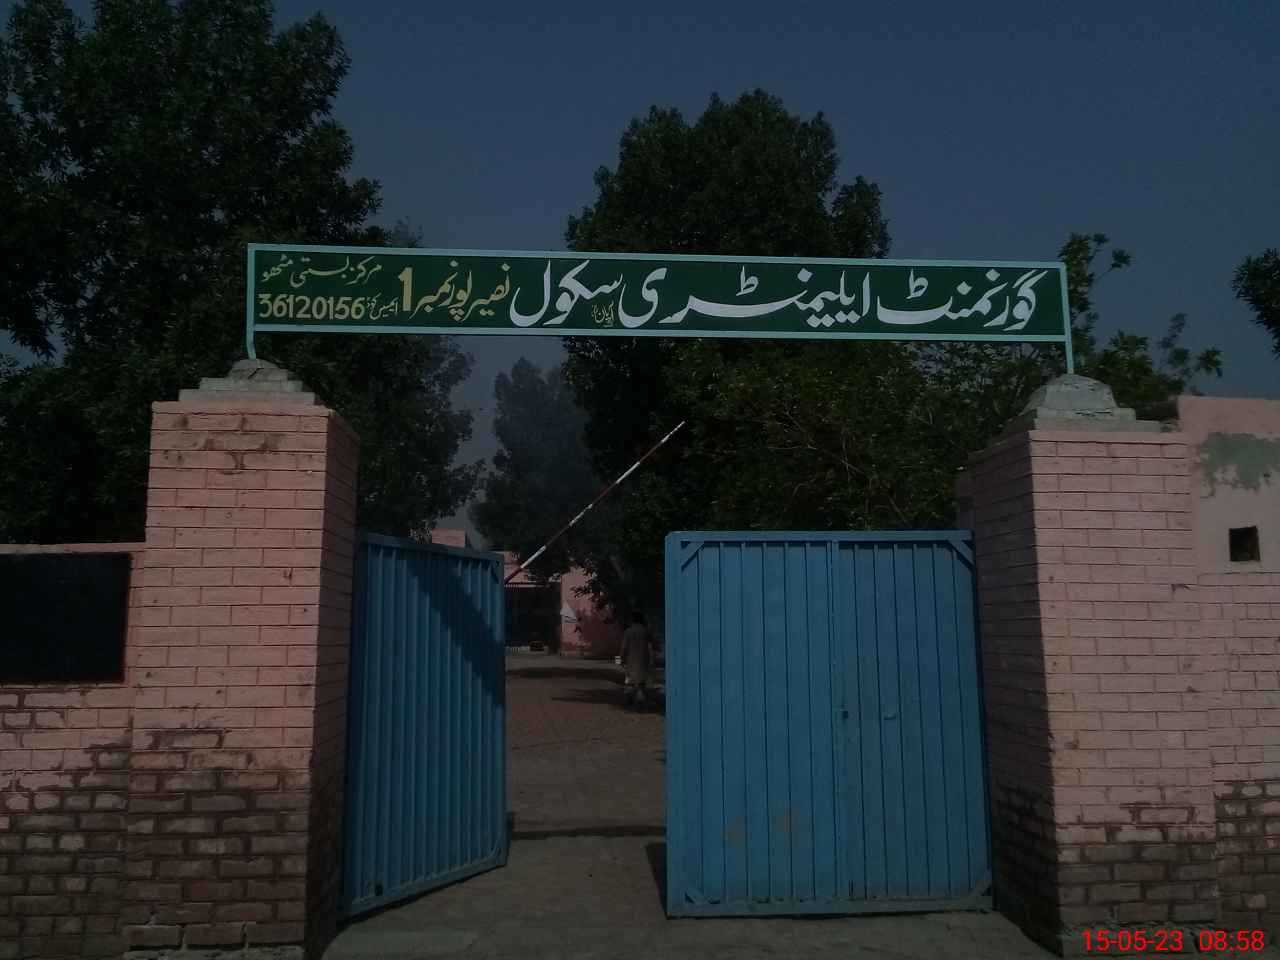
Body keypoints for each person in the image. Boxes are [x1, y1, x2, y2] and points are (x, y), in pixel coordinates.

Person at [619, 610, 654, 710]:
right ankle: (640, 701)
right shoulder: (646, 631)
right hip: (643, 661)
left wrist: (619, 661)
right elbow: (651, 646)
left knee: (629, 682)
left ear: (632, 620)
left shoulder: (628, 632)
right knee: (641, 683)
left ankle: (630, 701)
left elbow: (623, 648)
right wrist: (652, 660)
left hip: (630, 662)